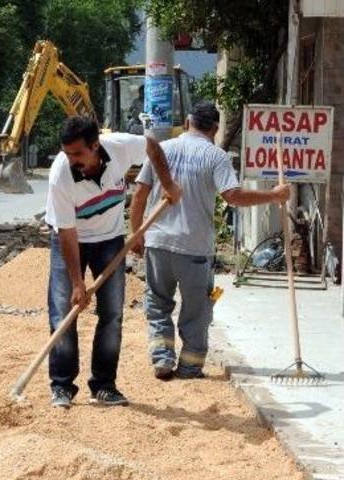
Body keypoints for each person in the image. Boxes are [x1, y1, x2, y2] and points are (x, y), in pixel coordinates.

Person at [130, 101, 290, 380]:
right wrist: (274, 196)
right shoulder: (215, 156)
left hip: (157, 242)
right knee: (197, 310)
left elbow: (140, 195)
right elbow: (234, 197)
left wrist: (136, 233)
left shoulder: (162, 149)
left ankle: (162, 359)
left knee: (157, 303)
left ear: (188, 122)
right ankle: (190, 366)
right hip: (194, 247)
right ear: (215, 129)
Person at [45, 115, 182, 408]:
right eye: (67, 153)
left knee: (111, 315)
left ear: (96, 145)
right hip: (70, 240)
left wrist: (168, 184)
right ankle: (62, 386)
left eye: (78, 153)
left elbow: (153, 147)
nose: (71, 160)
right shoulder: (61, 174)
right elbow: (67, 234)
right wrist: (77, 284)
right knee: (62, 313)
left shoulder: (119, 147)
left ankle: (104, 385)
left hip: (109, 241)